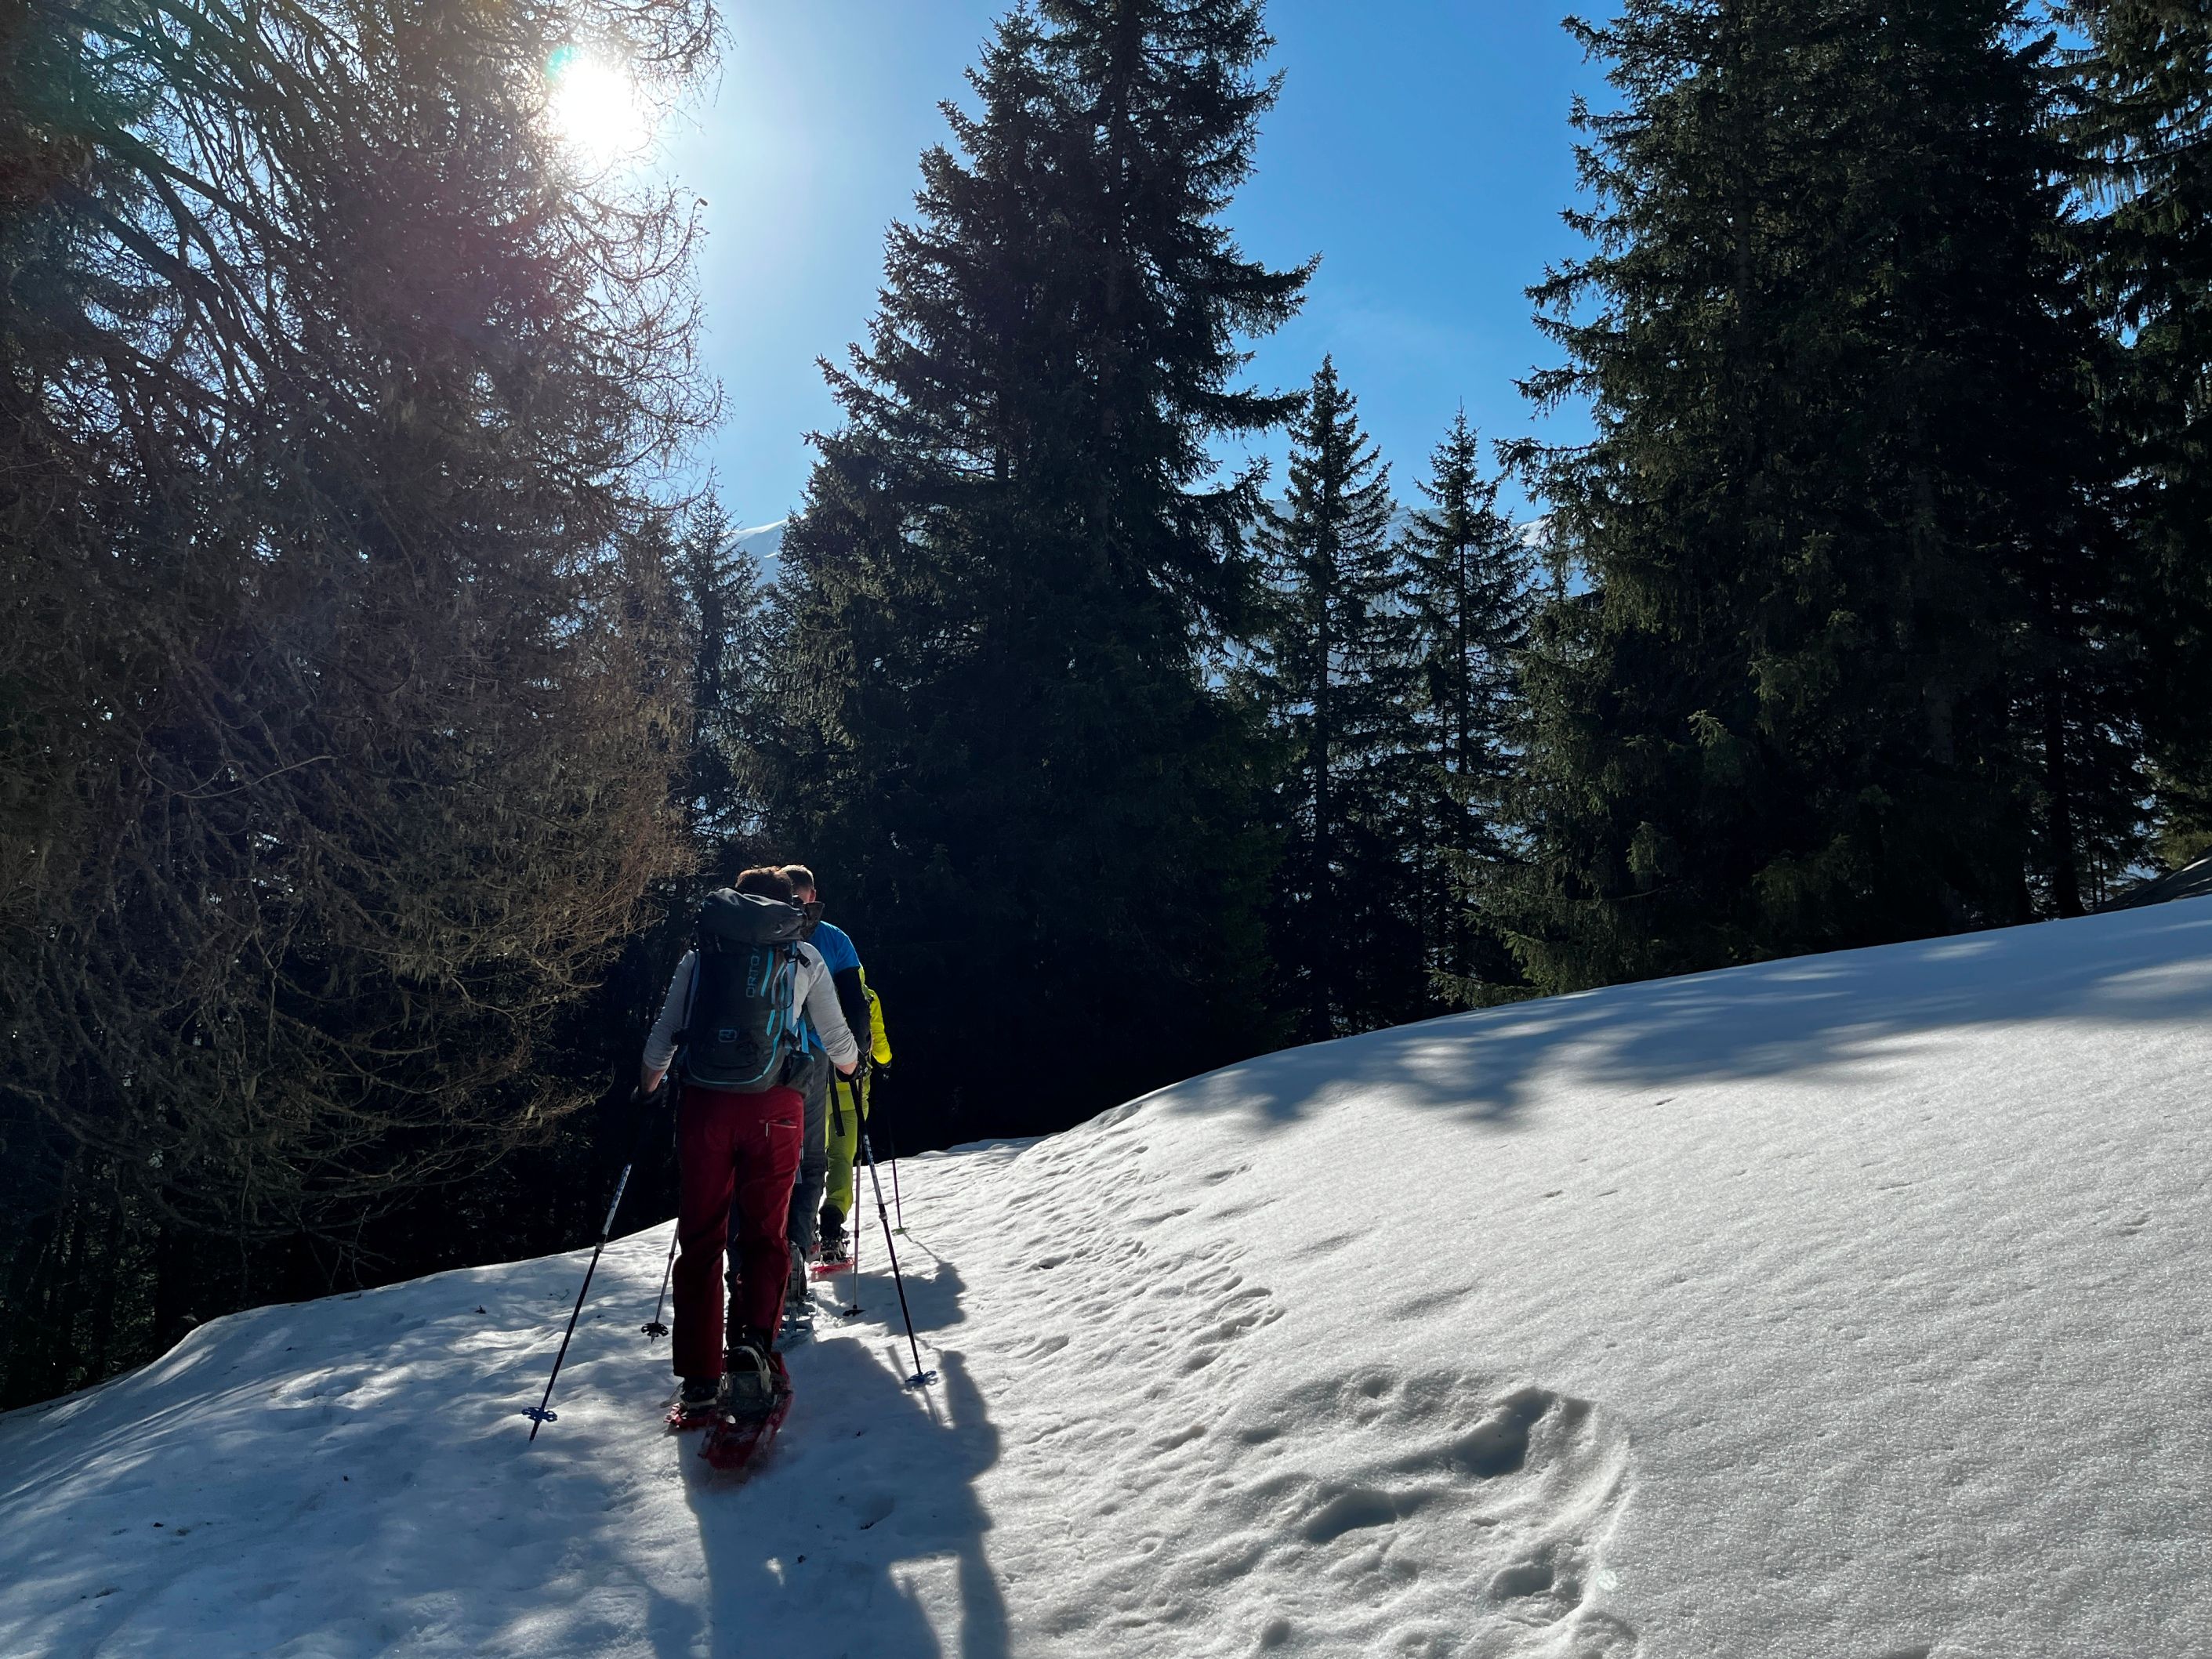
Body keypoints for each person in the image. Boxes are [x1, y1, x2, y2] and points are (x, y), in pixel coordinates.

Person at [640, 867, 859, 1423]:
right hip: (775, 1110)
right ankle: (754, 1347)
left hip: (705, 1109)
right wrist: (855, 1070)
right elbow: (837, 1042)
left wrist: (648, 1088)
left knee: (702, 1238)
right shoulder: (803, 957)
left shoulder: (701, 957)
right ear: (786, 908)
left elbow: (662, 1038)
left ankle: (698, 1377)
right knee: (765, 1233)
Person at [777, 865, 876, 1309]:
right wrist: (856, 1060)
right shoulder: (834, 939)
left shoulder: (756, 932)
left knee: (774, 1156)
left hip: (759, 1060)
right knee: (814, 1156)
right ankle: (799, 1249)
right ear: (813, 893)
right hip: (817, 1055)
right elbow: (855, 1001)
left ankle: (768, 1254)